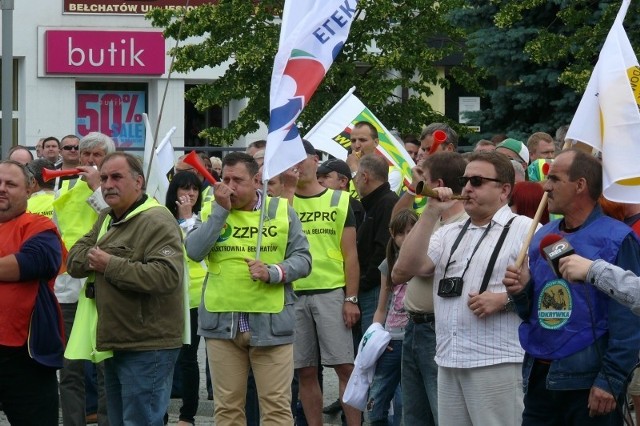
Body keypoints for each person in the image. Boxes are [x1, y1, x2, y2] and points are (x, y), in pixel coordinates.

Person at [393, 150, 535, 426]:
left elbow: (548, 291)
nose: (467, 187)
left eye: (478, 181)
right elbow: (404, 269)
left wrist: (504, 299)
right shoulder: (449, 232)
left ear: (504, 190)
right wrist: (432, 210)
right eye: (465, 180)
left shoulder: (526, 230)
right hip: (449, 358)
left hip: (496, 361)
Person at [503, 149, 640, 425]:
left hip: (588, 381)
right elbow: (533, 312)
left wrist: (610, 379)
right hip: (540, 379)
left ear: (580, 185)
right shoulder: (543, 235)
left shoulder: (617, 238)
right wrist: (521, 291)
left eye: (554, 179)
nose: (546, 186)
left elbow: (628, 317)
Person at [185, 152, 311, 425]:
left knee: (276, 409)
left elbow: (303, 260)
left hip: (271, 322)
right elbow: (194, 251)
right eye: (225, 179)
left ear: (256, 181)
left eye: (237, 180)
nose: (229, 186)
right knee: (228, 409)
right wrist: (220, 213)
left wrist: (272, 272)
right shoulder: (211, 208)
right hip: (222, 323)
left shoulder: (281, 211)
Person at [67, 152, 185, 425]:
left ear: (138, 182)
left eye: (117, 177)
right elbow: (74, 259)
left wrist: (109, 264)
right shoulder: (107, 216)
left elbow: (166, 276)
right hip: (115, 341)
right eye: (105, 177)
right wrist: (99, 260)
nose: (108, 184)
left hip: (147, 345)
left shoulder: (158, 220)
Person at [391, 151, 468, 426]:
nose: (415, 183)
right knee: (415, 415)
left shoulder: (461, 224)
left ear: (438, 183)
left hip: (437, 328)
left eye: (421, 179)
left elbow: (410, 269)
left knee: (441, 413)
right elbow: (398, 267)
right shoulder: (433, 218)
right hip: (415, 326)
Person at [293, 140, 361, 426]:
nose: (296, 164)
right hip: (292, 294)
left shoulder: (339, 199)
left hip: (331, 293)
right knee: (304, 371)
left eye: (301, 158)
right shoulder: (280, 201)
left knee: (345, 367)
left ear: (315, 160)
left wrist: (351, 298)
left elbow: (350, 254)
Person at [53, 131, 116, 426]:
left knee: (105, 367)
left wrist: (97, 190)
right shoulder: (65, 189)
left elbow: (117, 221)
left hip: (103, 287)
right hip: (68, 289)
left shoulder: (113, 191)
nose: (89, 160)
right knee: (70, 369)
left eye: (97, 155)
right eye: (85, 154)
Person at [0, 160, 64, 426]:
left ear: (29, 190)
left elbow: (32, 263)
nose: (2, 188)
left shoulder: (38, 226)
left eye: (10, 184)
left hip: (24, 357)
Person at [368, 209, 418, 426]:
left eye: (411, 231)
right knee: (377, 395)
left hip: (413, 339)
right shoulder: (388, 264)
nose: (406, 238)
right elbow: (381, 306)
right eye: (401, 233)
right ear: (393, 235)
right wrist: (375, 338)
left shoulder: (423, 262)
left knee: (406, 400)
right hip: (390, 341)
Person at [165, 171, 206, 426]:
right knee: (166, 358)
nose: (189, 194)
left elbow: (197, 251)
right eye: (184, 189)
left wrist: (188, 219)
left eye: (194, 190)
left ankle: (187, 415)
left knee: (189, 359)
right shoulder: (162, 217)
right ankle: (159, 413)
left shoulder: (202, 219)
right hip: (168, 297)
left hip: (195, 297)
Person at [353, 154, 398, 335]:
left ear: (365, 177)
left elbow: (383, 249)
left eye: (356, 176)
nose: (354, 182)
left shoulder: (387, 203)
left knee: (371, 343)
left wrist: (363, 283)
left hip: (374, 289)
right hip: (370, 286)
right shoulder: (372, 204)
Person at [346, 121, 402, 193]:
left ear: (376, 142)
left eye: (362, 140)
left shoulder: (392, 173)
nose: (357, 145)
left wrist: (354, 171)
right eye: (353, 141)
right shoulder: (345, 169)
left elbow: (375, 202)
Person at [317, 158, 365, 229]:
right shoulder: (315, 205)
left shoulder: (358, 210)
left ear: (343, 181)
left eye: (326, 176)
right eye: (317, 177)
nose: (319, 180)